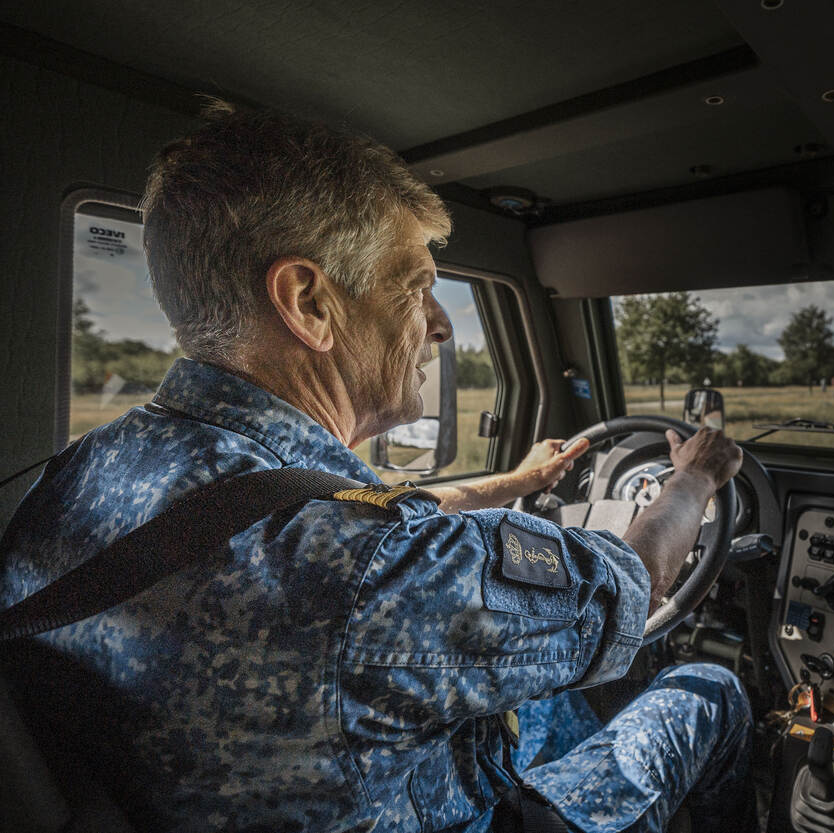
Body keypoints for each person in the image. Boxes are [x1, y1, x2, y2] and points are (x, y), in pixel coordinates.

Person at [0, 102, 750, 832]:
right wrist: (696, 477)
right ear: (308, 303)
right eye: (415, 286)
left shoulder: (78, 473)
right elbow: (635, 579)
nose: (440, 325)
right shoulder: (373, 569)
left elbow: (361, 514)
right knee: (710, 690)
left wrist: (516, 484)